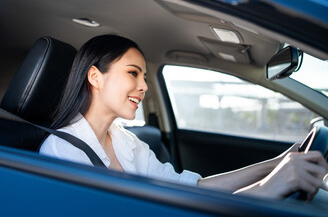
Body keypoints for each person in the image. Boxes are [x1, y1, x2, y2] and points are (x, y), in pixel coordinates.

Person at [40, 34, 328, 200]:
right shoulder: (62, 151)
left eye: (144, 76)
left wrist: (275, 165)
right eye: (133, 73)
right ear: (95, 77)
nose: (143, 86)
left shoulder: (127, 141)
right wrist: (267, 189)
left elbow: (194, 187)